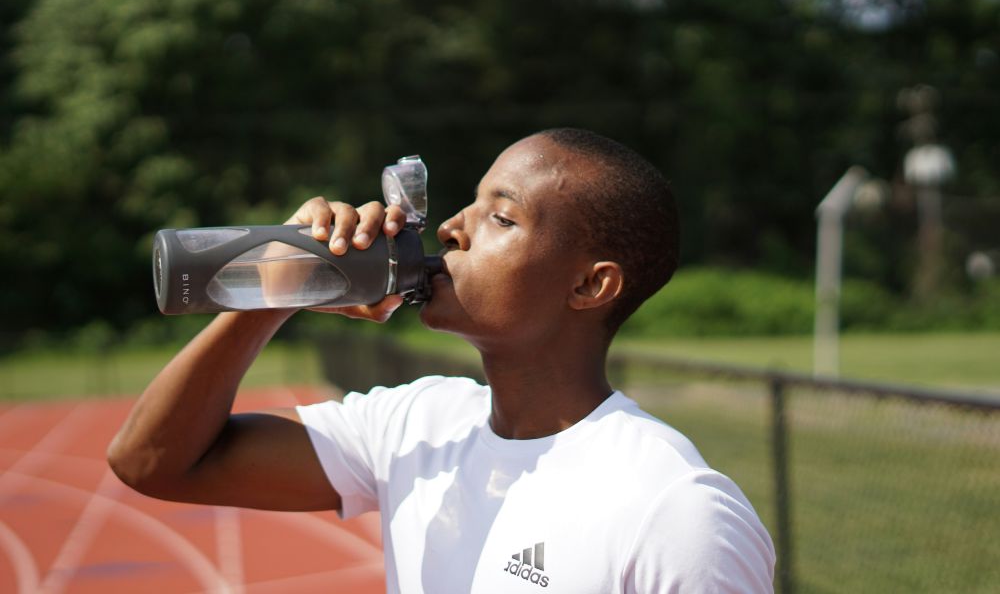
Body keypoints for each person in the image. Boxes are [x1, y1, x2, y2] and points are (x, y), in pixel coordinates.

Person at [108, 128, 775, 593]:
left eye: (502, 219)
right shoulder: (418, 423)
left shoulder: (675, 511)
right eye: (469, 203)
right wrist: (278, 281)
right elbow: (150, 462)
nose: (453, 227)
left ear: (588, 286)